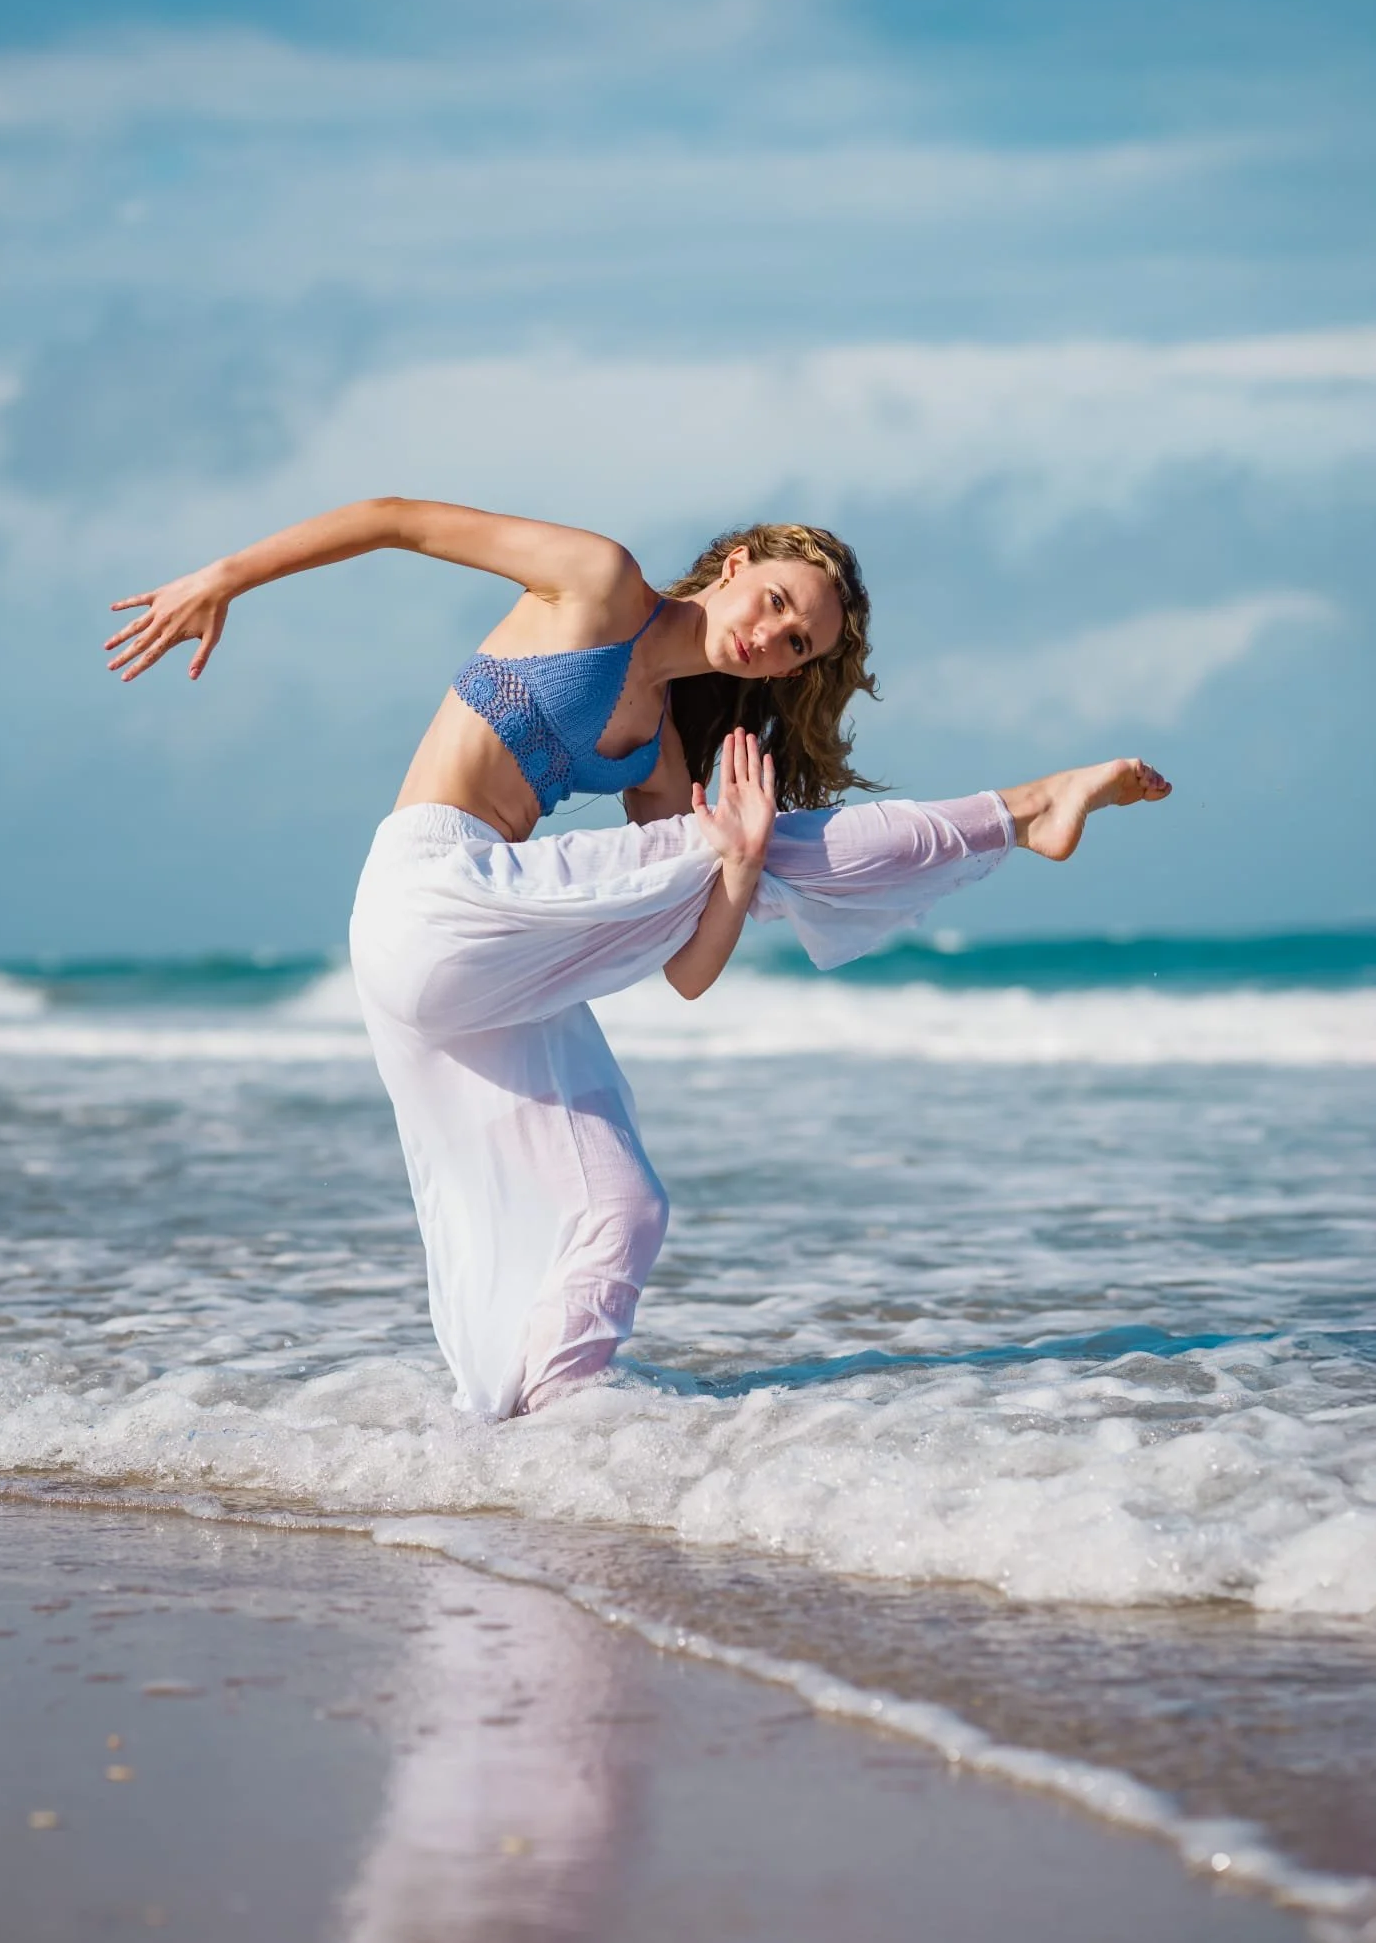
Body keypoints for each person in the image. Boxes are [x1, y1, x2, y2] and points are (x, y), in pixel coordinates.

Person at [106, 499, 1171, 1419]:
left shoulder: (661, 751)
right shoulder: (596, 582)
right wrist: (224, 577)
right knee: (736, 842)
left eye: (798, 645)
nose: (776, 639)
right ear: (735, 566)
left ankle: (551, 1425)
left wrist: (742, 871)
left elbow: (688, 972)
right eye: (777, 605)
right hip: (432, 898)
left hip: (489, 959)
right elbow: (396, 519)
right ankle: (1021, 810)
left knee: (622, 1205)